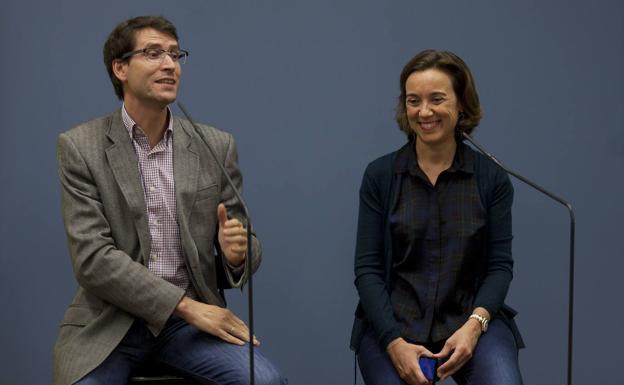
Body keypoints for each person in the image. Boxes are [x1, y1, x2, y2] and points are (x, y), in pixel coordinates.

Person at [53, 15, 286, 385]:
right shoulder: (81, 147)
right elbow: (93, 260)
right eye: (153, 53)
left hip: (186, 329)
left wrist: (236, 254)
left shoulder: (215, 145)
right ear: (120, 68)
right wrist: (188, 307)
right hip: (111, 323)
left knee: (266, 381)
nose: (169, 65)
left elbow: (245, 244)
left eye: (176, 56)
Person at [350, 50, 524, 385]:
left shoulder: (491, 179)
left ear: (461, 105)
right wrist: (393, 341)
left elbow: (500, 265)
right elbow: (367, 268)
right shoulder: (381, 176)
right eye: (413, 101)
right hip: (392, 327)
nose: (424, 111)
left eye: (437, 99)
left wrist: (474, 327)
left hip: (472, 321)